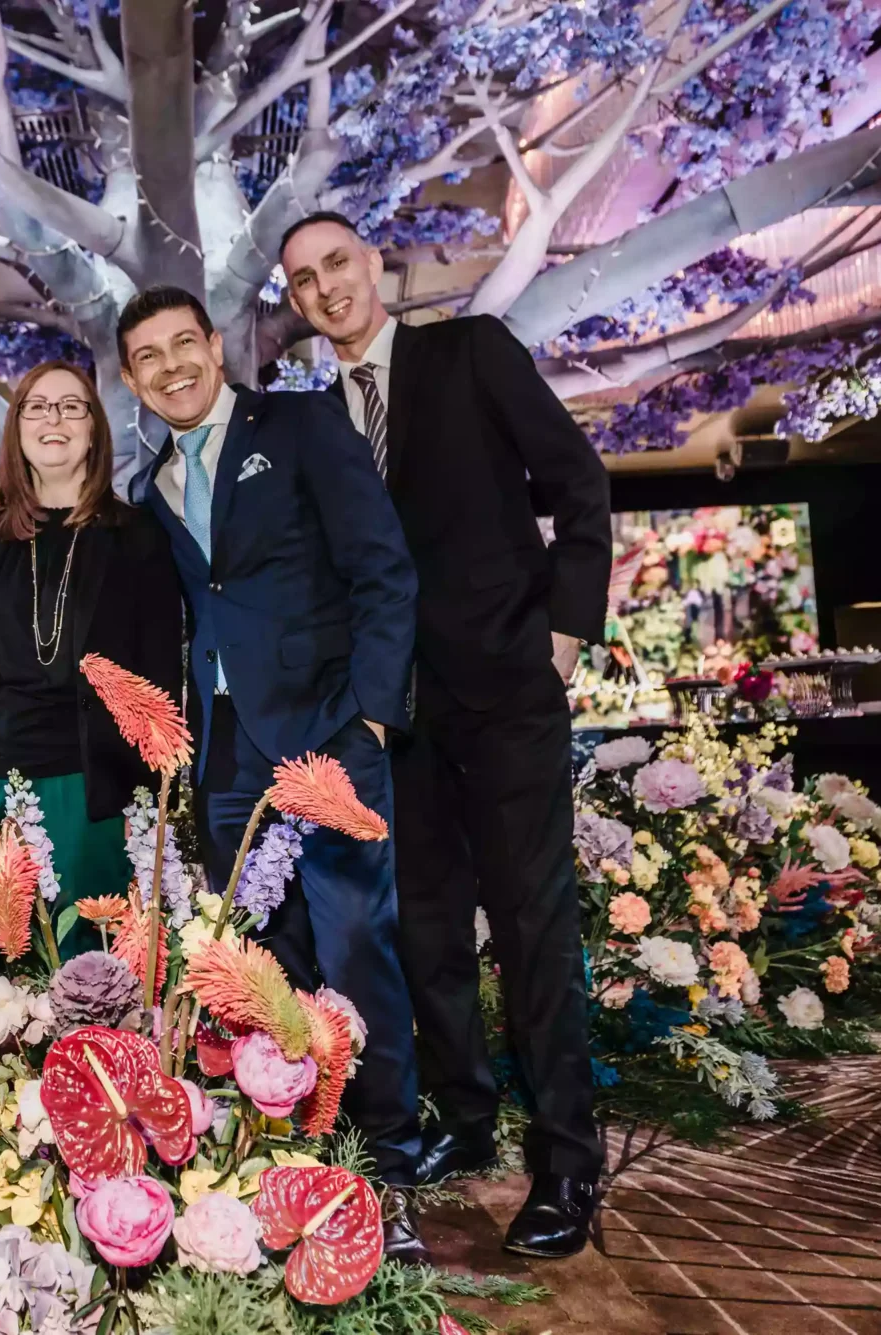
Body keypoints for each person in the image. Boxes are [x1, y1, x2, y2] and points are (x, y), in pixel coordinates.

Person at [279, 212, 612, 1259]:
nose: (325, 288)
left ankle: (566, 1162)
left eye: (336, 263)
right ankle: (465, 1119)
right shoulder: (308, 421)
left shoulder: (468, 352)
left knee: (531, 932)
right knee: (423, 936)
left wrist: (565, 629)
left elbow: (576, 483)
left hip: (507, 690)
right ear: (291, 304)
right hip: (394, 719)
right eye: (301, 281)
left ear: (371, 264)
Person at [115, 286, 433, 1261]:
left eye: (184, 344)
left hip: (328, 734)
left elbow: (382, 563)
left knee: (354, 953)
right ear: (129, 377)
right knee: (260, 973)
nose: (171, 366)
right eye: (148, 357)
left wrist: (373, 717)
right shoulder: (148, 485)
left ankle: (387, 1174)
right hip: (222, 756)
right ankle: (293, 1169)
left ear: (216, 346)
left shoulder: (294, 422)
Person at [0, 360, 181, 975]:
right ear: (17, 429)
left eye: (71, 406)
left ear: (95, 430)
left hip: (87, 780)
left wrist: (155, 787)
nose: (53, 419)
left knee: (85, 966)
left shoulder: (137, 537)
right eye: (37, 406)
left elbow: (159, 674)